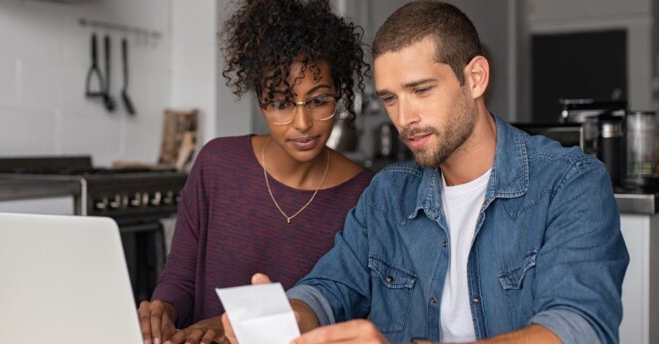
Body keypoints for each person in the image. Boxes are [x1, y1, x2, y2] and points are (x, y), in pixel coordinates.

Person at [223, 1, 629, 343]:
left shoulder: (570, 182)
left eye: (421, 90)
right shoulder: (388, 194)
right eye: (390, 98)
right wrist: (289, 318)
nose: (405, 118)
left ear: (475, 78)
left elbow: (578, 327)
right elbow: (331, 287)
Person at [138, 1, 374, 343]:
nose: (303, 123)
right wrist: (163, 310)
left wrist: (225, 326)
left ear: (340, 94)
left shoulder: (366, 195)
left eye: (319, 100)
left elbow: (346, 308)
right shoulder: (216, 164)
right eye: (280, 104)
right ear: (260, 101)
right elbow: (181, 277)